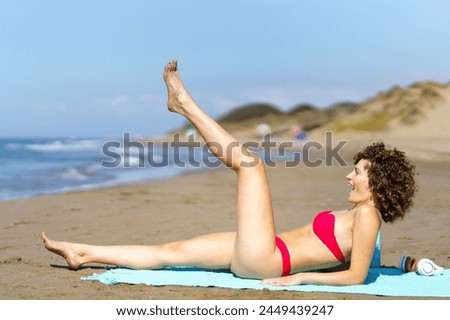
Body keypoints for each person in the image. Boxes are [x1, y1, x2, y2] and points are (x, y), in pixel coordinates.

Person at [41, 60, 417, 286]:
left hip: (267, 258)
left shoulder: (368, 214)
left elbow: (355, 276)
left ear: (378, 182)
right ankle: (83, 253)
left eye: (358, 173)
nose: (349, 178)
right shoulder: (361, 216)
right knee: (171, 251)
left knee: (250, 165)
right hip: (258, 251)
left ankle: (184, 104)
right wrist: (407, 265)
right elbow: (367, 264)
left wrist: (300, 278)